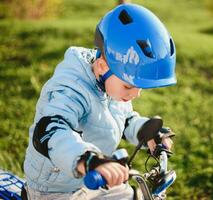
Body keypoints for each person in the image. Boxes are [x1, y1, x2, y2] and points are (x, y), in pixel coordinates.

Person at [23, 3, 176, 200]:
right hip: (54, 188)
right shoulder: (71, 88)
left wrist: (146, 132)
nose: (136, 94)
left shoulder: (112, 86)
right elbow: (50, 131)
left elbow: (124, 119)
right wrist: (88, 160)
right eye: (129, 86)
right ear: (103, 66)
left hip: (98, 180)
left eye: (140, 87)